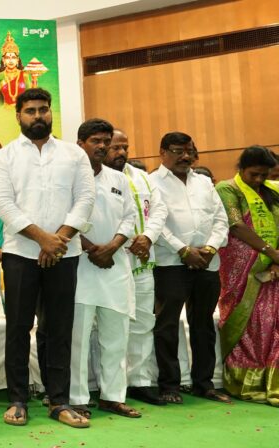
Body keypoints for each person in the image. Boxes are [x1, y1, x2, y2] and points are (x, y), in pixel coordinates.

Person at [0, 88, 95, 428]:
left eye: (43, 110)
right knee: (19, 328)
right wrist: (42, 240)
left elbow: (86, 199)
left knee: (60, 327)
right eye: (30, 111)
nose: (38, 116)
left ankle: (58, 400)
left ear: (51, 113)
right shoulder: (4, 157)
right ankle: (18, 399)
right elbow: (4, 205)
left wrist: (58, 240)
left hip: (65, 253)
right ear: (18, 115)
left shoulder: (73, 155)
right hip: (20, 255)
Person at [150, 131, 231, 405]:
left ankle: (204, 383)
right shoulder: (151, 183)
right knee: (167, 325)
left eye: (189, 150)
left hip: (207, 263)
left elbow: (221, 220)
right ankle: (169, 385)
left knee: (204, 324)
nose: (185, 156)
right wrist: (182, 249)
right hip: (171, 263)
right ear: (162, 152)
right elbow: (154, 225)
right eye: (177, 150)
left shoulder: (205, 182)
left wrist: (209, 248)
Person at [68, 119, 142, 419]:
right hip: (81, 265)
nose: (102, 147)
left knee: (116, 336)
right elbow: (64, 217)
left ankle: (113, 396)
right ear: (80, 144)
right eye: (95, 141)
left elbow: (130, 216)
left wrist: (112, 246)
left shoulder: (119, 178)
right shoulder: (69, 177)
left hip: (115, 264)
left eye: (106, 142)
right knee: (78, 338)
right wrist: (89, 247)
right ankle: (77, 397)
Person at [104, 129, 169, 406]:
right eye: (115, 147)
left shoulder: (142, 177)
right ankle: (103, 384)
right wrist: (129, 240)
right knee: (104, 327)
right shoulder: (90, 176)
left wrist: (147, 237)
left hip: (143, 261)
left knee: (143, 322)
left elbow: (160, 210)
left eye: (125, 147)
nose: (121, 152)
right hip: (109, 260)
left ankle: (140, 381)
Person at [214, 145, 279, 406]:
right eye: (254, 174)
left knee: (274, 325)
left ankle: (272, 384)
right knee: (253, 325)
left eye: (265, 175)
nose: (259, 180)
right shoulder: (228, 189)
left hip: (274, 268)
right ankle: (246, 384)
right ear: (241, 169)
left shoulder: (273, 191)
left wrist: (276, 261)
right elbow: (236, 225)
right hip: (243, 270)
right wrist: (272, 254)